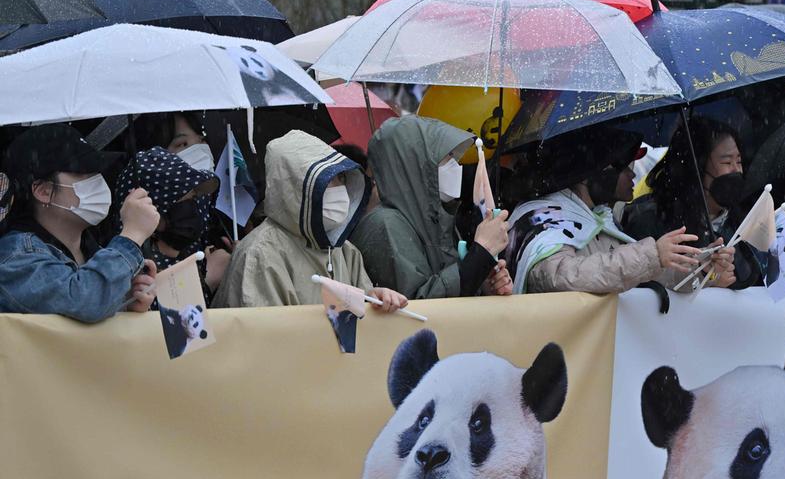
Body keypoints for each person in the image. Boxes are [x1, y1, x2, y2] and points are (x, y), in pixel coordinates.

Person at [507, 127, 734, 295]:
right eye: (623, 167)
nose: (632, 175)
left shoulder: (601, 219)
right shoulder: (543, 218)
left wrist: (704, 269)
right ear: (594, 171)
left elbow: (644, 274)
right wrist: (653, 255)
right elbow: (563, 278)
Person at [213, 130, 406, 311]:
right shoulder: (259, 254)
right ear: (297, 188)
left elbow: (355, 319)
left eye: (341, 178)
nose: (340, 188)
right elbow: (264, 337)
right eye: (328, 180)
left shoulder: (345, 250)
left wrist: (372, 299)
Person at [0, 124, 159, 322]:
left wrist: (125, 301)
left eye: (97, 172)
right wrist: (132, 236)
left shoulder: (93, 251)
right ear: (43, 191)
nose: (98, 181)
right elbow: (84, 301)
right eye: (83, 173)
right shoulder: (15, 257)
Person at [350, 115, 513, 300]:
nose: (456, 165)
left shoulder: (437, 218)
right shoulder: (385, 225)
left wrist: (483, 283)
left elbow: (451, 293)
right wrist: (480, 252)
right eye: (447, 157)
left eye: (455, 157)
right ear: (416, 167)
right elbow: (418, 307)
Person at [623, 118, 761, 289]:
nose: (736, 170)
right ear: (697, 167)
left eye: (739, 162)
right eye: (727, 162)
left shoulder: (745, 218)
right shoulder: (651, 220)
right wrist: (707, 277)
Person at [113, 148, 230, 304]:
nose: (194, 208)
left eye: (195, 198)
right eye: (184, 201)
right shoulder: (128, 279)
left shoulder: (194, 261)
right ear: (152, 209)